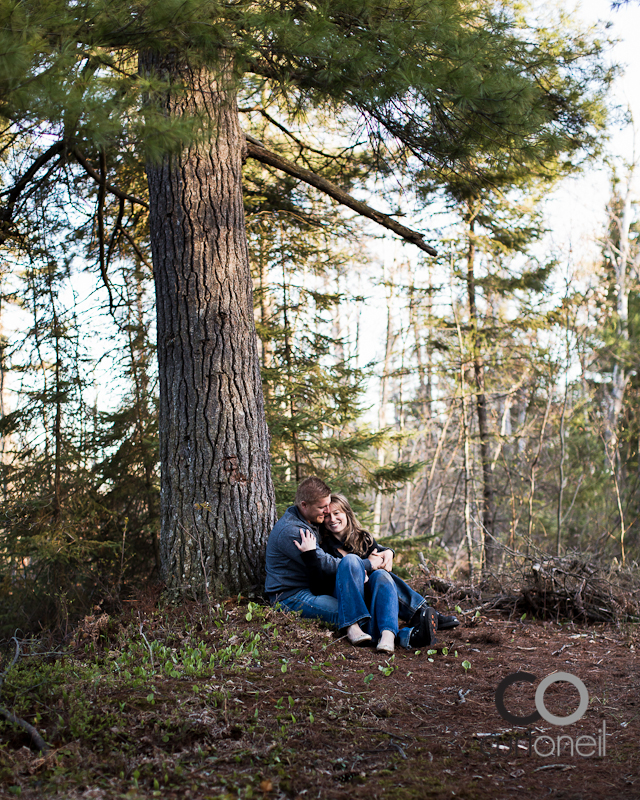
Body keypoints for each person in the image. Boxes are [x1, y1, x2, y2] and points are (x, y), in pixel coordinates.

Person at [264, 477, 441, 651]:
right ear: (304, 505)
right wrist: (368, 564)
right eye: (323, 507)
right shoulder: (294, 531)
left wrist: (388, 551)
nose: (327, 512)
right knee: (354, 613)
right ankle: (408, 636)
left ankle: (415, 615)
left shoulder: (309, 520)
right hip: (291, 596)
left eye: (330, 507)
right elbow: (326, 564)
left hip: (312, 589)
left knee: (379, 579)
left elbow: (369, 546)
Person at [316, 493, 459, 653]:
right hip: (346, 600)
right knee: (353, 563)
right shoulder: (322, 546)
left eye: (337, 513)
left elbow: (382, 560)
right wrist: (364, 567)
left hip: (371, 598)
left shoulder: (363, 539)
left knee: (381, 576)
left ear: (347, 514)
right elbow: (327, 576)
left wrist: (388, 552)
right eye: (327, 516)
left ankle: (390, 635)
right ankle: (416, 620)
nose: (332, 519)